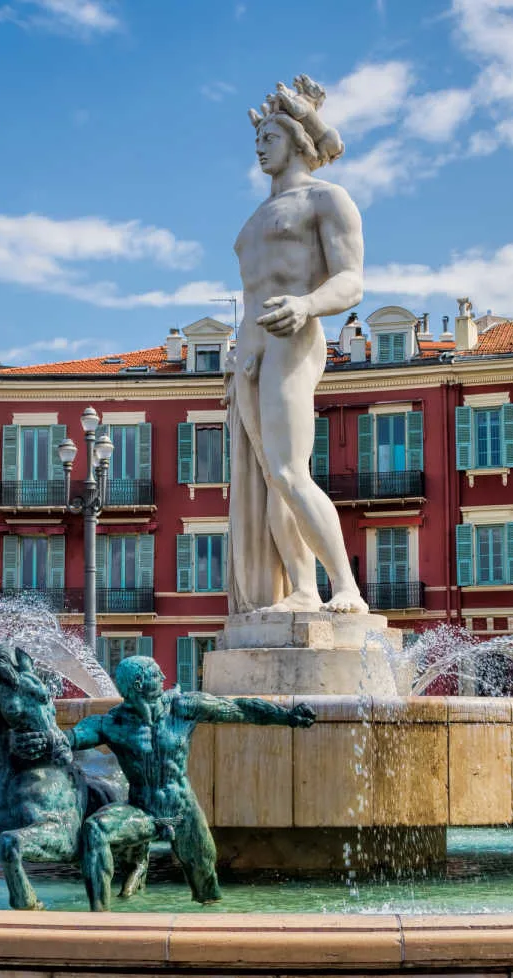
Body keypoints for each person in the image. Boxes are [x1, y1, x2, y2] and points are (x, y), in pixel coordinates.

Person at [227, 76, 367, 614]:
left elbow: (351, 280)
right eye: (256, 140)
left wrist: (306, 305)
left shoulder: (327, 199)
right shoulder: (255, 217)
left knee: (290, 470)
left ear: (295, 140)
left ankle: (347, 589)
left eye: (269, 138)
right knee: (271, 479)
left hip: (294, 332)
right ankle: (305, 590)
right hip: (252, 346)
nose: (259, 147)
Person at [67, 656, 315, 908]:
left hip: (183, 812)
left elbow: (239, 709)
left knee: (206, 882)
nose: (164, 678)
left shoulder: (183, 707)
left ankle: (215, 931)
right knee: (95, 829)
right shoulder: (112, 723)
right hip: (142, 812)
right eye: (156, 674)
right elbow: (74, 737)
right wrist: (51, 741)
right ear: (139, 683)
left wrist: (287, 717)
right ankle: (99, 918)